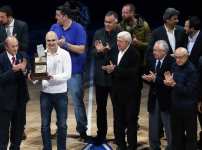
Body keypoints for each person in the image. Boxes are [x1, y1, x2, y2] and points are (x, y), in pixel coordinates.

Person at [28, 31, 72, 150]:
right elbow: (39, 75)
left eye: (53, 40)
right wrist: (33, 78)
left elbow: (68, 74)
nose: (51, 43)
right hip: (45, 94)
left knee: (62, 125)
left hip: (61, 94)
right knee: (45, 126)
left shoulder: (64, 54)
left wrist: (53, 77)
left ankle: (61, 148)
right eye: (48, 40)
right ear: (45, 41)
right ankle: (47, 148)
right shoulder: (41, 53)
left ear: (57, 40)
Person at [50, 5, 88, 140]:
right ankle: (60, 128)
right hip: (58, 71)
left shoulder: (78, 28)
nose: (55, 17)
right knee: (60, 101)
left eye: (58, 15)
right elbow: (48, 45)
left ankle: (82, 129)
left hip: (74, 71)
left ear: (65, 17)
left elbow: (81, 49)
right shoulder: (54, 28)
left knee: (77, 101)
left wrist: (66, 45)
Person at [102, 31, 140, 150]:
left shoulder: (135, 54)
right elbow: (109, 64)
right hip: (116, 93)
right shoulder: (114, 50)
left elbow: (132, 72)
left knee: (131, 122)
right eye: (117, 41)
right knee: (118, 121)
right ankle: (121, 145)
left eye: (120, 41)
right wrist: (108, 69)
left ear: (128, 42)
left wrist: (115, 70)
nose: (117, 43)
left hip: (130, 95)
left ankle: (132, 146)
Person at [90, 11, 121, 145]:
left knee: (117, 108)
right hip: (101, 78)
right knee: (100, 108)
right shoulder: (98, 33)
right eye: (105, 22)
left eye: (109, 22)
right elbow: (91, 51)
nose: (107, 24)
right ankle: (101, 134)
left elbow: (124, 53)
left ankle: (118, 135)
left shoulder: (122, 35)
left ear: (116, 23)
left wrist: (110, 50)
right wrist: (97, 50)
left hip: (115, 78)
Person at [118, 3, 151, 129]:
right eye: (122, 12)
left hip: (138, 66)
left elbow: (149, 45)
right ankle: (125, 120)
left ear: (132, 13)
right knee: (124, 94)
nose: (123, 15)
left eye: (125, 12)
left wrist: (136, 44)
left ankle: (134, 119)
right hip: (123, 65)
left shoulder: (144, 25)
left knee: (135, 95)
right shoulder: (120, 26)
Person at [142, 40, 175, 150]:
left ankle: (171, 147)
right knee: (153, 127)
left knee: (169, 127)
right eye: (153, 50)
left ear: (164, 51)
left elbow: (170, 84)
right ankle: (154, 147)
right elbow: (148, 76)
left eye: (156, 50)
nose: (154, 52)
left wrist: (155, 79)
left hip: (167, 98)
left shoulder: (172, 62)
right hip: (153, 97)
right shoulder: (151, 59)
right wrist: (147, 79)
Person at [0, 36, 32, 149]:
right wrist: (12, 70)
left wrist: (24, 71)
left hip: (20, 100)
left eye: (17, 45)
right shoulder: (1, 58)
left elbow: (29, 72)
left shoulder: (23, 55)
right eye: (13, 46)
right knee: (3, 130)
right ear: (6, 47)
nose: (16, 48)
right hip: (5, 101)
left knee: (18, 128)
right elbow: (1, 77)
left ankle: (15, 147)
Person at [164, 47, 198, 150]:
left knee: (191, 135)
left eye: (181, 57)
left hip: (188, 107)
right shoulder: (174, 65)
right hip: (175, 105)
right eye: (176, 57)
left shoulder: (192, 70)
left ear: (187, 56)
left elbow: (188, 90)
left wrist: (173, 84)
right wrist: (168, 82)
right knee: (177, 134)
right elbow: (170, 86)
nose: (178, 60)